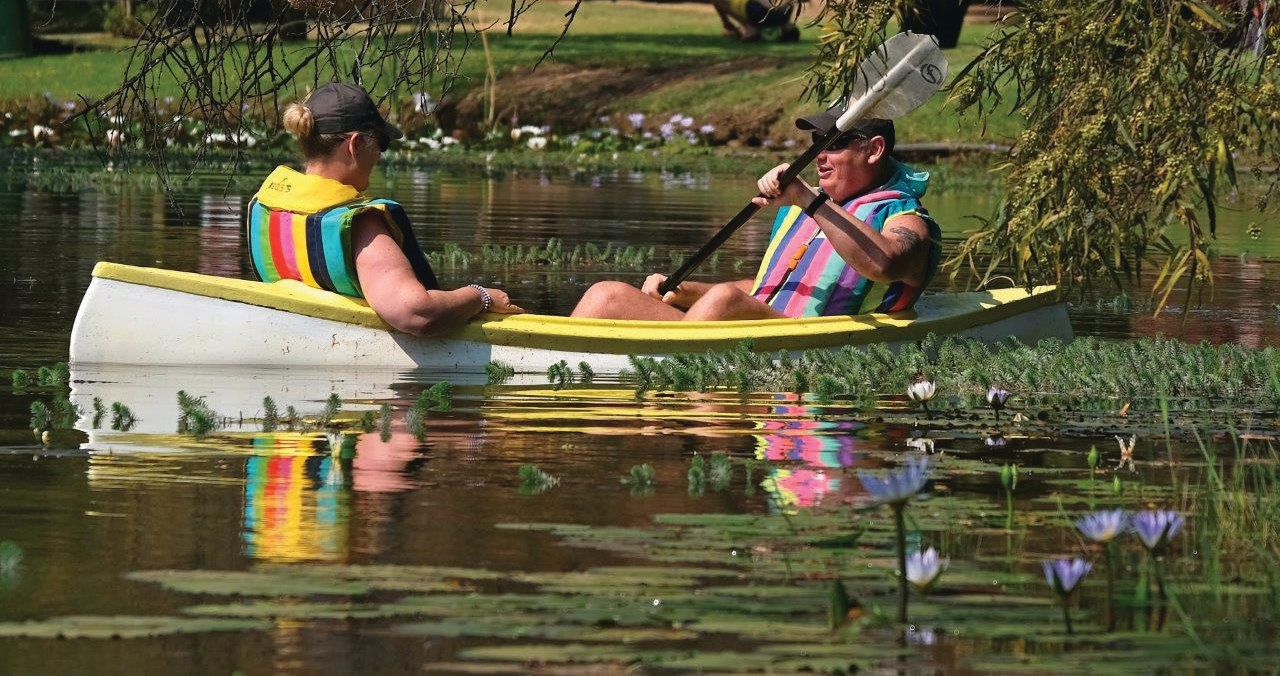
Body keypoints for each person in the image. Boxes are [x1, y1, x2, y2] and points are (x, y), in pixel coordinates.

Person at [570, 109, 942, 321]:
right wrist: (686, 292)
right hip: (748, 333)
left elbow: (888, 263)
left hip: (808, 341)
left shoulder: (905, 217)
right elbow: (770, 286)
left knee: (725, 301)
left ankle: (667, 386)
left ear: (874, 150)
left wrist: (808, 199)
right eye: (817, 143)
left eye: (835, 143)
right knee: (606, 295)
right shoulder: (806, 210)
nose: (819, 156)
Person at [246, 82, 522, 336]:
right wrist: (480, 297)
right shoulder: (361, 225)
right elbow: (416, 314)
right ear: (355, 145)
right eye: (382, 144)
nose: (380, 154)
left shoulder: (263, 205)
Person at [711, 0, 800, 42]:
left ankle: (751, 29)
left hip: (757, 10)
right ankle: (788, 27)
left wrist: (726, 23)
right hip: (783, 13)